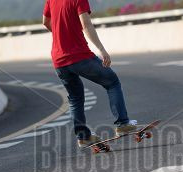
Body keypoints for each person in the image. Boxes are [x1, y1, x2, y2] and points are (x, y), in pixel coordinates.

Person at [42, 0, 137, 148]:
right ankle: (123, 124)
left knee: (75, 98)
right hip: (80, 56)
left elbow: (45, 21)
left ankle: (83, 136)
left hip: (59, 60)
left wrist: (62, 35)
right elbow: (86, 25)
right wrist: (102, 50)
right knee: (112, 82)